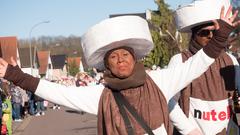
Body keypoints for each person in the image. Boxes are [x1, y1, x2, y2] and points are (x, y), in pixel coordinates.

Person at [0, 9, 238, 134]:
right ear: (106, 65)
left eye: (125, 55)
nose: (120, 60)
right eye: (113, 57)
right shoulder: (100, 95)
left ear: (134, 58)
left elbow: (197, 64)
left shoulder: (160, 81)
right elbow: (55, 92)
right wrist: (14, 74)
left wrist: (219, 37)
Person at [168, 0, 240, 135]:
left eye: (215, 32)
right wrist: (189, 130)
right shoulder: (179, 60)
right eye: (205, 33)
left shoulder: (230, 59)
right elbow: (168, 100)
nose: (211, 37)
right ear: (194, 35)